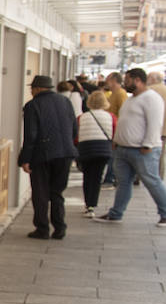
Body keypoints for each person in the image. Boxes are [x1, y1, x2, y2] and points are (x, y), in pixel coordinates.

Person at [92, 66, 166, 228]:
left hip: (142, 150)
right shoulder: (132, 99)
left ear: (137, 80)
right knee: (124, 183)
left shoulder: (151, 98)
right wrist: (116, 140)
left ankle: (165, 213)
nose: (125, 83)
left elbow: (155, 124)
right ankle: (116, 214)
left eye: (127, 80)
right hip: (123, 148)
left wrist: (147, 145)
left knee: (152, 181)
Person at [19, 74, 77, 239]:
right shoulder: (65, 102)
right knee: (57, 192)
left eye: (32, 88)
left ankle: (42, 228)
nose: (31, 91)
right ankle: (60, 228)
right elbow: (74, 128)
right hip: (65, 153)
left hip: (42, 154)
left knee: (40, 193)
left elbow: (30, 135)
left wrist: (25, 159)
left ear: (37, 89)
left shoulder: (33, 105)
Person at [75, 90, 115, 217]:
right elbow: (115, 133)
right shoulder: (111, 116)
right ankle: (93, 204)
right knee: (97, 177)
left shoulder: (82, 117)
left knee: (87, 177)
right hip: (103, 149)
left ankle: (88, 205)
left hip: (86, 149)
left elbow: (75, 135)